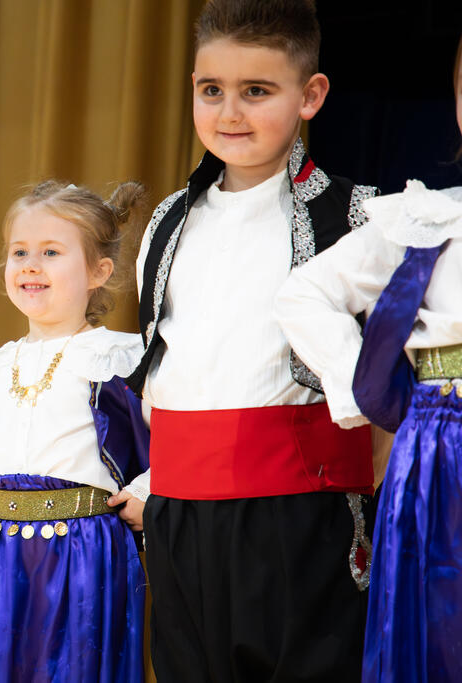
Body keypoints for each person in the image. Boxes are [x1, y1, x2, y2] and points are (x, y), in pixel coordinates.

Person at [124, 1, 380, 680]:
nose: (230, 112)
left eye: (257, 91)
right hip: (180, 513)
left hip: (305, 511)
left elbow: (389, 380)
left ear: (310, 95)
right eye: (212, 90)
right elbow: (168, 363)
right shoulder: (168, 221)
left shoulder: (359, 216)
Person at [275, 34, 462, 683]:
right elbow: (304, 293)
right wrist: (374, 390)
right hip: (444, 452)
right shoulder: (428, 219)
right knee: (440, 635)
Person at [0, 181, 150, 682]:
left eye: (51, 252)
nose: (30, 265)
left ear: (99, 272)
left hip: (84, 553)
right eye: (19, 252)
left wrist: (147, 493)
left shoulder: (119, 359)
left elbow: (170, 437)